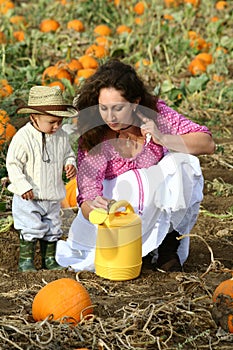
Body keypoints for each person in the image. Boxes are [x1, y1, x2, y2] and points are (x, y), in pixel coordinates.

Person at [56, 59, 215, 273]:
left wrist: (164, 139)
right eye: (103, 108)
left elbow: (207, 143)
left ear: (135, 102)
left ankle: (168, 245)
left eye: (118, 108)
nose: (110, 117)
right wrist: (96, 208)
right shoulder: (96, 134)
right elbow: (87, 192)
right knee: (134, 182)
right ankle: (141, 250)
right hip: (119, 206)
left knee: (185, 163)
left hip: (155, 200)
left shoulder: (156, 114)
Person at [6, 86, 77, 272]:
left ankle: (50, 259)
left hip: (52, 195)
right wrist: (22, 186)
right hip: (28, 196)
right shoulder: (23, 138)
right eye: (52, 122)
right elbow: (13, 164)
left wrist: (70, 164)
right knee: (30, 227)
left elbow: (68, 154)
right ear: (33, 118)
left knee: (53, 227)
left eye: (60, 122)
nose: (57, 126)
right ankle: (26, 260)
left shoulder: (61, 136)